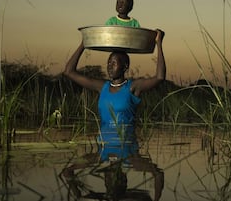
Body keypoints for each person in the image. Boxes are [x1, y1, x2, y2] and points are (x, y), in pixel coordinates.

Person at [64, 29, 166, 161]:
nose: (109, 66)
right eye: (108, 63)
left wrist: (159, 44)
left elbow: (159, 77)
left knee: (156, 172)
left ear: (125, 66)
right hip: (103, 149)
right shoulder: (102, 87)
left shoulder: (133, 87)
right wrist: (84, 43)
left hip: (127, 149)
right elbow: (68, 71)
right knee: (69, 171)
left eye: (114, 63)